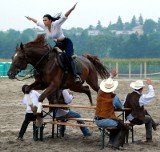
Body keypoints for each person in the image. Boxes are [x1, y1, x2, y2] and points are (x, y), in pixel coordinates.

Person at [25, 2, 81, 83]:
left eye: (46, 20)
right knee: (49, 56)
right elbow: (37, 22)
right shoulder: (44, 26)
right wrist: (30, 18)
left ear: (50, 20)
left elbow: (64, 17)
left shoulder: (56, 24)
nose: (44, 22)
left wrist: (71, 9)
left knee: (68, 57)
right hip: (58, 45)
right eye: (43, 20)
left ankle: (76, 76)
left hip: (66, 43)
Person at [95, 77, 129, 150]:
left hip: (97, 120)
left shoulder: (99, 93)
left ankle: (111, 142)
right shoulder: (114, 97)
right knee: (123, 126)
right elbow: (120, 107)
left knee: (116, 123)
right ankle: (116, 145)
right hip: (106, 120)